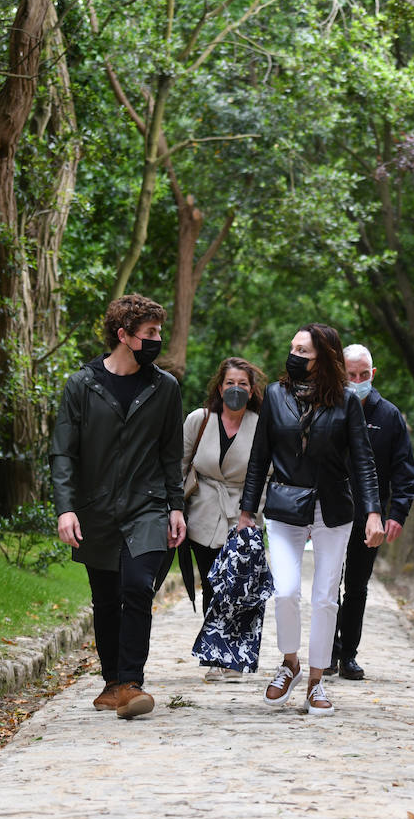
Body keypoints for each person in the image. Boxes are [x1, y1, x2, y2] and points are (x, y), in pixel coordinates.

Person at [51, 294, 187, 720]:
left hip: (147, 506)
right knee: (106, 599)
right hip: (96, 509)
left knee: (137, 587)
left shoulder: (164, 388)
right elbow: (63, 452)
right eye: (149, 333)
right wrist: (66, 508)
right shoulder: (81, 385)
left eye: (159, 332)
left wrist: (176, 507)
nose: (157, 340)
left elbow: (171, 453)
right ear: (123, 335)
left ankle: (131, 681)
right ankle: (112, 683)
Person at [237, 323, 384, 716]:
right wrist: (246, 511)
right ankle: (290, 664)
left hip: (333, 509)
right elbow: (259, 457)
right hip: (285, 506)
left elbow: (364, 462)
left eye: (303, 351)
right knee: (285, 591)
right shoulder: (275, 395)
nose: (294, 356)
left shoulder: (347, 402)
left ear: (324, 357)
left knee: (323, 598)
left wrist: (373, 512)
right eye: (293, 349)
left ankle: (317, 681)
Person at [329, 343, 414, 681]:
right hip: (332, 513)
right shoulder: (329, 410)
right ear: (341, 374)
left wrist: (397, 514)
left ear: (373, 374)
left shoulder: (389, 416)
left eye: (363, 375)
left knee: (357, 586)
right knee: (328, 586)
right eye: (351, 375)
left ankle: (348, 654)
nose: (357, 380)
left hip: (371, 519)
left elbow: (404, 472)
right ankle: (329, 652)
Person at [182, 357, 265, 681]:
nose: (236, 389)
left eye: (242, 383)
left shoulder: (261, 425)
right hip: (203, 513)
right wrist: (174, 508)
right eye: (230, 383)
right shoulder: (199, 420)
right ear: (220, 387)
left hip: (243, 515)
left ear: (252, 389)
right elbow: (179, 463)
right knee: (212, 585)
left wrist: (253, 511)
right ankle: (215, 655)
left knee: (240, 587)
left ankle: (234, 656)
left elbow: (269, 474)